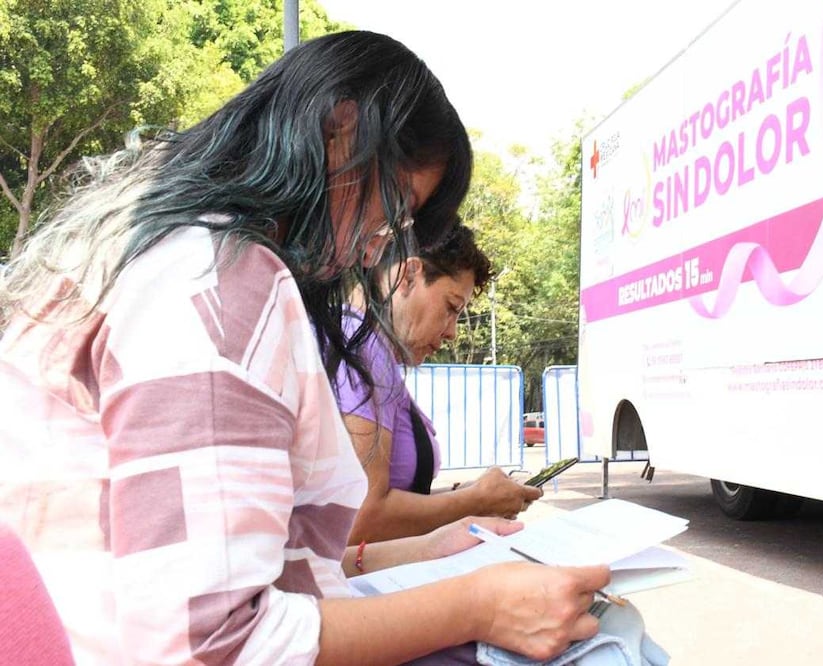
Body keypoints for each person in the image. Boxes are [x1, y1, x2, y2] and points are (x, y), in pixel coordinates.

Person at [0, 31, 610, 665]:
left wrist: (421, 550)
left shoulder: (147, 245)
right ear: (340, 129)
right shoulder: (218, 281)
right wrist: (482, 605)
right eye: (394, 211)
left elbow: (230, 564)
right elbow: (214, 643)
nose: (380, 248)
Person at [331, 219, 542, 545]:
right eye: (451, 308)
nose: (451, 332)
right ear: (407, 276)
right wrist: (475, 501)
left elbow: (394, 496)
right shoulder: (361, 345)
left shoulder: (366, 346)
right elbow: (361, 519)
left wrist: (470, 499)